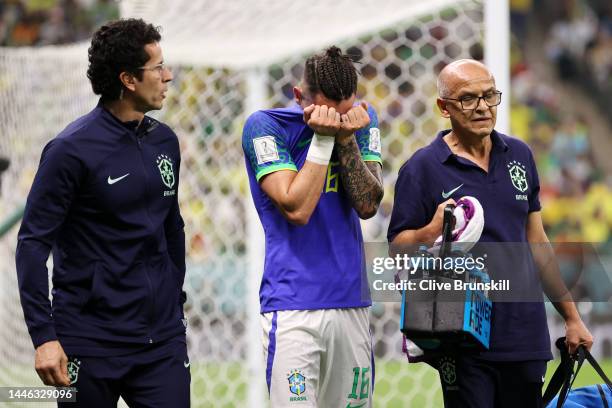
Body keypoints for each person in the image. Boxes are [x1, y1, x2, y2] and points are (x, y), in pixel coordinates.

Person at [387, 59, 593, 408]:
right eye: (468, 98)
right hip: (462, 337)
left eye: (489, 96)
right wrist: (432, 230)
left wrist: (572, 318)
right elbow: (396, 251)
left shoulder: (520, 156)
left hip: (525, 335)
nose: (482, 107)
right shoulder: (421, 169)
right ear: (444, 107)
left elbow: (538, 243)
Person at [16, 18, 189, 407]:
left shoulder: (165, 141)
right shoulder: (69, 150)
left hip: (160, 340)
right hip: (89, 340)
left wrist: (172, 301)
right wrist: (44, 337)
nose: (169, 75)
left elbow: (171, 226)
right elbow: (31, 244)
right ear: (128, 79)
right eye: (157, 67)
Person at [242, 46, 384, 408]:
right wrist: (323, 139)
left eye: (345, 112)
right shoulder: (266, 126)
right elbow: (296, 207)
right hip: (292, 306)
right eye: (329, 114)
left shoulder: (361, 120)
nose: (338, 121)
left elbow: (368, 205)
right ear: (298, 96)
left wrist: (347, 138)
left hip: (351, 301)